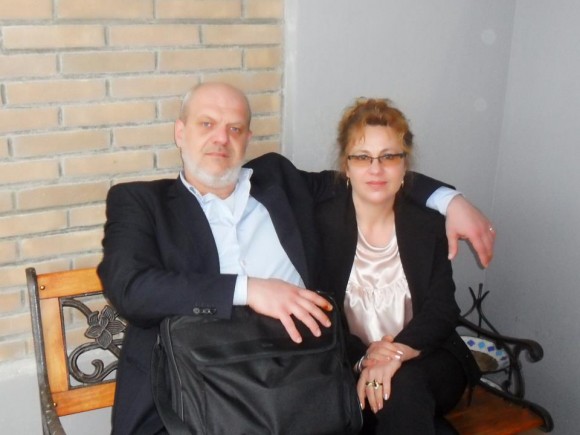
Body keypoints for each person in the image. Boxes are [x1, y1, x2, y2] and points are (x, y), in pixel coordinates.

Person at [97, 83, 493, 434]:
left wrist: (451, 201)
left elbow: (372, 174)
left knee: (400, 402)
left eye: (234, 128)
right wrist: (249, 290)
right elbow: (130, 288)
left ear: (247, 138)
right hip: (193, 395)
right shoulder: (141, 202)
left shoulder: (278, 181)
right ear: (180, 133)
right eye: (207, 124)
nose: (221, 138)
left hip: (302, 386)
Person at [315, 97, 482, 434]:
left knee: (402, 386)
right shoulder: (321, 225)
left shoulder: (427, 224)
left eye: (389, 156)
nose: (376, 169)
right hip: (350, 364)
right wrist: (367, 359)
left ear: (404, 165)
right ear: (346, 165)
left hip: (427, 358)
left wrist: (394, 355)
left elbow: (442, 309)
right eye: (363, 157)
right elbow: (322, 316)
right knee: (399, 403)